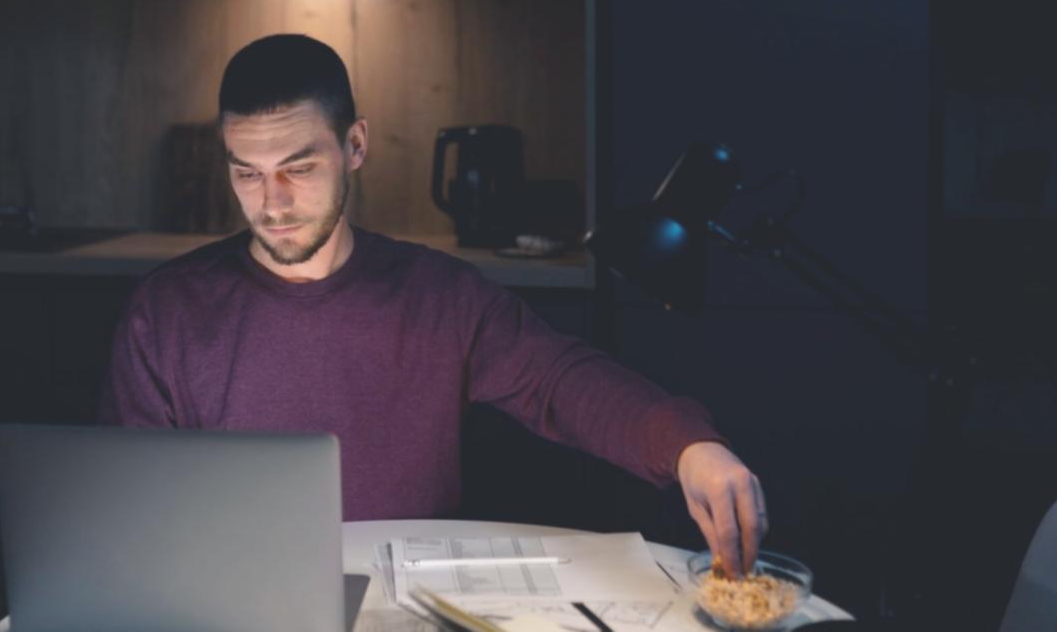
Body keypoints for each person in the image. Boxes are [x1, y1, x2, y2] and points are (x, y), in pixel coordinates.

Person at [99, 34, 768, 574]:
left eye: (298, 168)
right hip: (233, 606)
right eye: (246, 172)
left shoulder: (439, 298)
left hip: (407, 603)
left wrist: (688, 446)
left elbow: (562, 381)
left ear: (354, 145)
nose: (270, 204)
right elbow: (133, 514)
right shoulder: (167, 314)